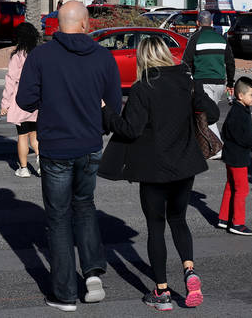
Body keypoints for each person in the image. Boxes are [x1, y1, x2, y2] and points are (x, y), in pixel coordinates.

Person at [17, 1, 122, 312]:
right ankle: (92, 274)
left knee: (59, 218)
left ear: (57, 24)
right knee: (85, 206)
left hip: (55, 147)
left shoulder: (41, 56)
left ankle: (64, 293)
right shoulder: (103, 56)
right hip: (90, 145)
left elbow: (24, 99)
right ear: (86, 24)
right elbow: (114, 104)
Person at [99, 37, 218, 310]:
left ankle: (162, 292)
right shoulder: (186, 81)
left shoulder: (143, 88)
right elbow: (210, 113)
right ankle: (189, 270)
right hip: (186, 165)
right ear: (166, 54)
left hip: (153, 169)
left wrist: (106, 112)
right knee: (179, 220)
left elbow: (130, 129)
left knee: (156, 227)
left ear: (143, 58)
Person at [181, 10, 235, 158]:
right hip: (219, 83)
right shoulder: (221, 39)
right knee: (208, 113)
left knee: (206, 115)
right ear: (211, 23)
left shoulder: (196, 38)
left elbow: (186, 61)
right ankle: (205, 145)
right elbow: (230, 62)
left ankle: (217, 148)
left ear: (198, 23)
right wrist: (230, 82)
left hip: (202, 82)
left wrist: (188, 79)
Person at [217, 76, 252, 236]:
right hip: (238, 158)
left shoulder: (236, 110)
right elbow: (243, 138)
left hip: (230, 155)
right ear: (240, 96)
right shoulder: (241, 113)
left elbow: (229, 132)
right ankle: (237, 223)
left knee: (231, 186)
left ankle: (224, 219)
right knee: (242, 190)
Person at [0, 22, 41, 178]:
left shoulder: (17, 56)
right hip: (37, 99)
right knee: (35, 134)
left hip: (20, 99)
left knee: (22, 135)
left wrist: (5, 104)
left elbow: (10, 80)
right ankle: (41, 161)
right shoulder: (39, 54)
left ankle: (23, 168)